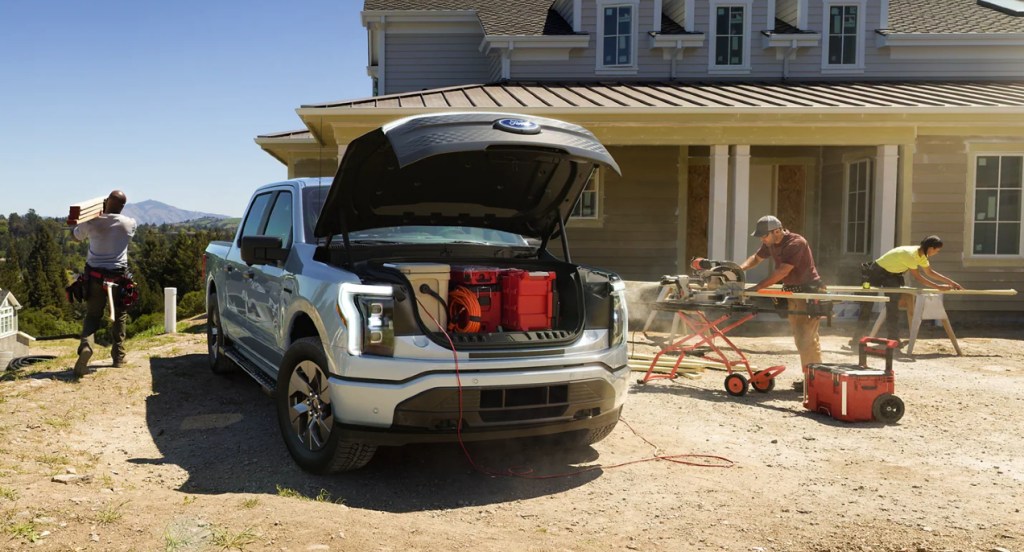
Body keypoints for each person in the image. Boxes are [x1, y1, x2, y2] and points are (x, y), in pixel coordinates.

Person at [739, 215, 824, 375]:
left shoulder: (796, 243)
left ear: (777, 231)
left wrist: (758, 287)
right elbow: (756, 259)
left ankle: (814, 379)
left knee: (807, 339)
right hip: (793, 291)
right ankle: (811, 377)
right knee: (801, 337)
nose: (762, 239)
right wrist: (739, 269)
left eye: (764, 236)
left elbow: (782, 271)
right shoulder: (770, 243)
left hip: (808, 292)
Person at [68, 190, 137, 377]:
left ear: (106, 202)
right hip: (118, 277)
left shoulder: (91, 222)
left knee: (92, 316)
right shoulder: (129, 223)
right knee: (120, 315)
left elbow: (75, 237)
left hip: (94, 277)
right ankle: (118, 357)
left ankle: (86, 347)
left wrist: (91, 217)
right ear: (122, 206)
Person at [854, 235, 964, 344]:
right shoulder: (911, 255)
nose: (937, 253)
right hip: (877, 271)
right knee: (867, 304)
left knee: (893, 306)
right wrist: (939, 287)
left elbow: (930, 272)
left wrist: (952, 283)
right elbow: (918, 278)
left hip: (893, 275)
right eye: (937, 250)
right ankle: (857, 338)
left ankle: (893, 339)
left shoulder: (922, 256)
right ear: (930, 248)